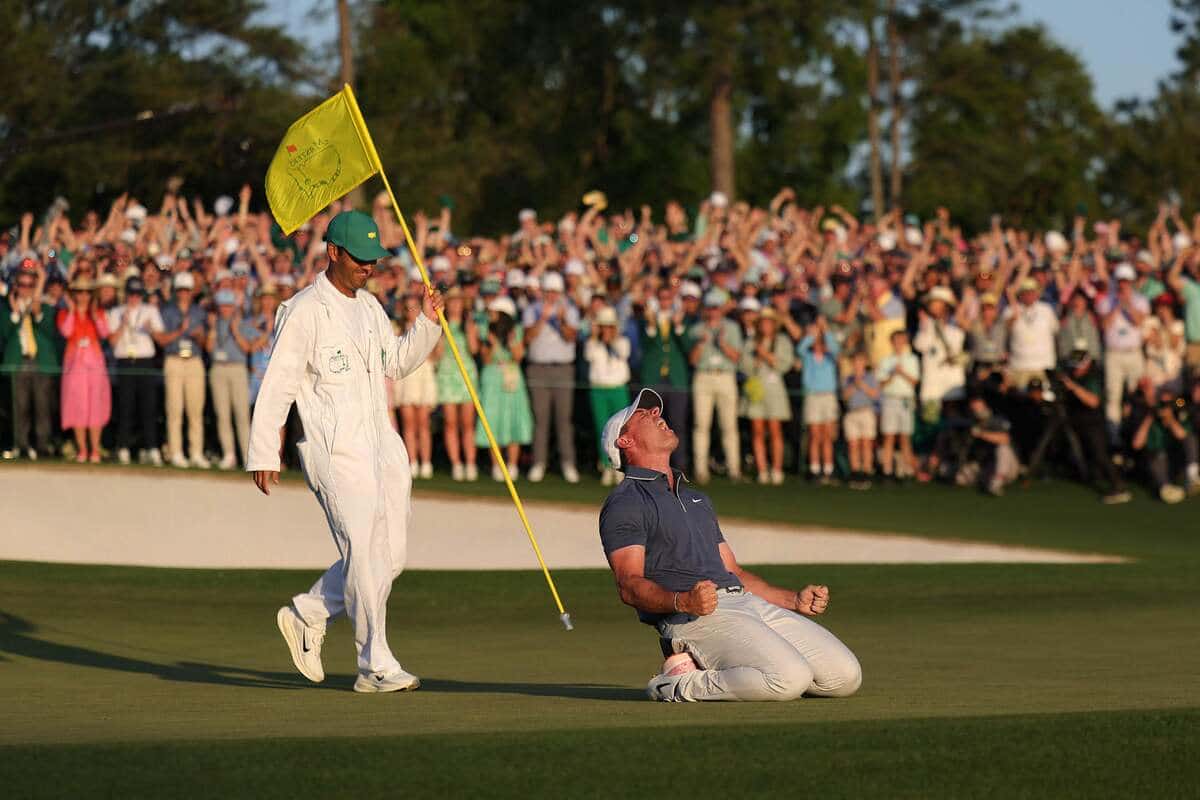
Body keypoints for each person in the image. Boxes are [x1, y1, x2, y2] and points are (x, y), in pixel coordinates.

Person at [247, 210, 444, 694]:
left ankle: (308, 612)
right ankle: (374, 664)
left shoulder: (370, 306)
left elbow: (395, 363)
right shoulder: (303, 310)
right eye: (359, 258)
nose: (367, 267)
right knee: (364, 553)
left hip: (382, 445)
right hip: (334, 450)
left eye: (373, 259)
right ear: (333, 252)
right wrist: (264, 449)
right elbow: (279, 383)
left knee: (389, 557)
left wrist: (427, 323)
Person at [597, 388, 862, 702]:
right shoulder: (625, 502)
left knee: (845, 677)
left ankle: (727, 670)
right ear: (625, 442)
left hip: (745, 603)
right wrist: (683, 601)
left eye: (654, 410)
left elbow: (733, 571)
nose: (657, 414)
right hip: (692, 619)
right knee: (790, 678)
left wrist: (792, 599)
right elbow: (629, 585)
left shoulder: (696, 498)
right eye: (643, 414)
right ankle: (676, 685)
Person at [523, 271, 580, 483]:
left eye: (555, 292)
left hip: (563, 369)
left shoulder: (570, 310)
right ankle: (539, 463)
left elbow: (571, 337)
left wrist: (561, 319)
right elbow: (528, 337)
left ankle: (568, 463)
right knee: (540, 419)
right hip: (538, 368)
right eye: (548, 291)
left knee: (564, 419)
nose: (552, 296)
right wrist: (543, 319)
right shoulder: (532, 309)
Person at [1, 261, 58, 460]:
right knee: (20, 407)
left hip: (40, 361)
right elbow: (5, 333)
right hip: (19, 362)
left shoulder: (44, 306)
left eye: (30, 285)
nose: (26, 289)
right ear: (16, 286)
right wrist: (15, 313)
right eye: (22, 285)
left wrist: (41, 282)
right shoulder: (7, 309)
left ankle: (43, 446)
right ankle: (21, 446)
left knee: (43, 407)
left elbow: (47, 328)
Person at [106, 277, 164, 465]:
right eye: (131, 294)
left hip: (145, 361)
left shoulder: (150, 310)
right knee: (125, 407)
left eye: (138, 294)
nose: (134, 298)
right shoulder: (116, 312)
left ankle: (151, 448)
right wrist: (123, 324)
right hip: (125, 361)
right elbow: (112, 341)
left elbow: (161, 339)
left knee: (148, 407)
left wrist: (151, 330)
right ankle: (123, 447)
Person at [476, 295, 533, 481]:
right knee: (492, 420)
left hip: (512, 377)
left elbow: (518, 357)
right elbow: (485, 359)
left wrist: (511, 341)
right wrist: (492, 344)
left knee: (513, 418)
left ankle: (512, 465)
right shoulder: (485, 330)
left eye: (494, 312)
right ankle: (496, 465)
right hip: (492, 378)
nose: (490, 315)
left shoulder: (516, 331)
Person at [688, 289, 743, 483]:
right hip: (703, 376)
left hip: (725, 376)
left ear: (722, 309)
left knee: (729, 426)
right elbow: (692, 360)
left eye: (716, 308)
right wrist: (701, 343)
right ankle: (701, 470)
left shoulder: (732, 328)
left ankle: (734, 469)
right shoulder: (696, 329)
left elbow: (737, 357)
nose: (713, 312)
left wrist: (722, 343)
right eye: (710, 307)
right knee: (701, 425)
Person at [156, 272, 210, 468]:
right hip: (174, 360)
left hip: (194, 360)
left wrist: (200, 336)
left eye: (187, 290)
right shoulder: (167, 311)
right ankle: (176, 452)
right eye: (180, 290)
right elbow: (161, 340)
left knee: (195, 410)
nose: (184, 294)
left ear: (191, 291)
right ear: (176, 291)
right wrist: (179, 331)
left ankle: (196, 453)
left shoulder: (199, 312)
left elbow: (205, 343)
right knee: (174, 410)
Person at [57, 278, 112, 463]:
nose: (83, 296)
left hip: (95, 365)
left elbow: (105, 333)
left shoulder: (98, 313)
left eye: (87, 292)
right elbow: (66, 331)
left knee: (95, 406)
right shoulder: (65, 313)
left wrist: (95, 315)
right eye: (79, 292)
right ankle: (82, 449)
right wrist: (73, 310)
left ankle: (95, 449)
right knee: (77, 405)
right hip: (74, 366)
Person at [638, 284, 692, 473]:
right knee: (650, 425)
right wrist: (651, 325)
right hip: (654, 379)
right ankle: (650, 465)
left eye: (668, 298)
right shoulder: (647, 320)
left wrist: (678, 326)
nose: (665, 302)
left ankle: (679, 466)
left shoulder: (681, 320)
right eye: (662, 298)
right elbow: (644, 346)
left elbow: (688, 348)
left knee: (677, 425)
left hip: (676, 380)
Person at [738, 308, 793, 485]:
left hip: (775, 390)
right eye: (763, 322)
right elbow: (744, 365)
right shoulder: (751, 341)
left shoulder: (782, 341)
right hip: (756, 390)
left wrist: (767, 356)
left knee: (775, 429)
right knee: (757, 430)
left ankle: (777, 469)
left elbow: (785, 365)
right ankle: (762, 470)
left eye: (769, 322)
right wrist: (756, 360)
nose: (765, 325)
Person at [205, 289, 257, 470]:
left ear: (233, 307)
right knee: (222, 415)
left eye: (228, 306)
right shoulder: (214, 323)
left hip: (237, 369)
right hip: (218, 368)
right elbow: (209, 348)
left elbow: (247, 348)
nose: (225, 309)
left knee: (242, 415)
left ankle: (248, 456)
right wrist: (212, 329)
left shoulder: (242, 323)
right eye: (222, 306)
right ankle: (229, 455)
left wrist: (235, 331)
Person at [434, 286, 480, 481]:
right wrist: (441, 333)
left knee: (468, 423)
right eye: (452, 300)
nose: (455, 305)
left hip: (465, 374)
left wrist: (470, 330)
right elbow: (437, 355)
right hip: (446, 374)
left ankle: (470, 463)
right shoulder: (440, 324)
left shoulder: (468, 324)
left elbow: (474, 350)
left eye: (458, 301)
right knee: (450, 422)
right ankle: (456, 464)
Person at [1096, 263, 1149, 428]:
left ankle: (1135, 431)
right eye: (1120, 281)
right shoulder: (1106, 301)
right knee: (1113, 396)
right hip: (1114, 354)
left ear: (1131, 282)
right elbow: (1104, 325)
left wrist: (1128, 304)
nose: (1123, 285)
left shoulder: (1140, 300)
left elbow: (1138, 322)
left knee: (1137, 395)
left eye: (1126, 281)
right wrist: (1118, 305)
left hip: (1134, 353)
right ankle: (1114, 436)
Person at [584, 305, 631, 485]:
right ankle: (606, 466)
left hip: (618, 389)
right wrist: (595, 336)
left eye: (609, 326)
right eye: (603, 326)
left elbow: (623, 354)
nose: (606, 330)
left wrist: (612, 339)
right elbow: (588, 355)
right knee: (602, 429)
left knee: (619, 430)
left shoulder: (622, 341)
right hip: (598, 389)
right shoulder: (592, 343)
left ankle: (619, 467)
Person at [393, 292, 438, 479]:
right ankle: (412, 461)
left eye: (414, 307)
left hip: (423, 374)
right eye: (408, 307)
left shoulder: (427, 327)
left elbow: (436, 355)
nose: (411, 311)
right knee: (409, 423)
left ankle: (426, 461)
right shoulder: (398, 329)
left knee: (423, 423)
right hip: (407, 377)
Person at [797, 317, 840, 482]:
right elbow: (800, 349)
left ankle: (828, 469)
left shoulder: (830, 357)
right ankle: (814, 469)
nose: (818, 344)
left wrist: (825, 330)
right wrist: (811, 335)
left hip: (828, 396)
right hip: (813, 396)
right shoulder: (807, 356)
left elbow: (835, 349)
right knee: (814, 434)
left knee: (827, 435)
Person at [877, 329, 919, 480]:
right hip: (890, 399)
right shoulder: (885, 361)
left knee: (904, 437)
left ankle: (907, 470)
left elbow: (914, 381)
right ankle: (887, 470)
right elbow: (881, 383)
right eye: (896, 341)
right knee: (888, 436)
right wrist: (892, 374)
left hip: (905, 400)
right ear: (892, 343)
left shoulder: (912, 359)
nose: (899, 344)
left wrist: (902, 372)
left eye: (901, 341)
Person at [1006, 277, 1058, 390]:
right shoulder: (1010, 310)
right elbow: (1004, 331)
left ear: (1037, 293)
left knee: (1045, 395)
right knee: (1021, 396)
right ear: (1020, 294)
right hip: (1020, 365)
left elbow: (1056, 331)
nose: (1029, 295)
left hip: (1043, 364)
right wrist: (1013, 315)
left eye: (1031, 292)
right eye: (1025, 292)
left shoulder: (1046, 310)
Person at [841, 350, 879, 489]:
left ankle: (866, 472)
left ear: (865, 363)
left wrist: (862, 384)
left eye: (860, 361)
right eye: (855, 361)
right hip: (852, 413)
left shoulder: (870, 378)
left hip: (866, 412)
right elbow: (844, 397)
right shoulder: (848, 379)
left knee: (866, 444)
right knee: (853, 445)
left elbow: (875, 395)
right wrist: (854, 385)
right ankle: (855, 472)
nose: (857, 364)